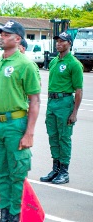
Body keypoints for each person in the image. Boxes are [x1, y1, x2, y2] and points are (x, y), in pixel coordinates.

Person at [0, 20, 41, 222]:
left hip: (16, 124)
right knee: (3, 174)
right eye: (0, 34)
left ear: (18, 38)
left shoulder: (25, 64)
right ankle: (3, 220)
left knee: (17, 175)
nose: (1, 37)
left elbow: (34, 100)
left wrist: (29, 133)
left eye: (6, 34)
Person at [41, 32, 83, 185]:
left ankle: (64, 171)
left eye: (62, 41)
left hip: (65, 103)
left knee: (64, 137)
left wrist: (74, 112)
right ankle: (56, 168)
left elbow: (78, 90)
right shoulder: (53, 62)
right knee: (53, 136)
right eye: (57, 41)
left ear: (69, 44)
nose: (58, 43)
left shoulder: (74, 64)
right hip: (52, 103)